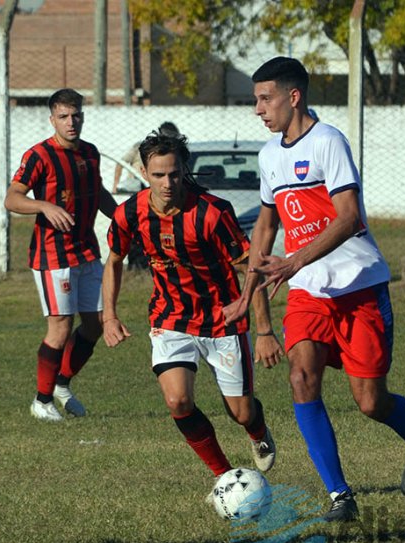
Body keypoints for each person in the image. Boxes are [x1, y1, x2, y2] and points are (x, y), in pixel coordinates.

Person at [224, 57, 405, 522]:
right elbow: (265, 226)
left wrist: (295, 258)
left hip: (359, 287)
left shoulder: (328, 142)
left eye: (265, 98)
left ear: (293, 96)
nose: (258, 109)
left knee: (370, 402)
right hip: (307, 291)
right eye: (255, 100)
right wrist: (248, 295)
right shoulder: (268, 155)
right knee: (301, 378)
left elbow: (348, 216)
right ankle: (340, 495)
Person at [103, 130, 279, 487]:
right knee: (177, 400)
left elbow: (250, 267)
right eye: (158, 175)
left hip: (223, 320)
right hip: (171, 319)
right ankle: (226, 477)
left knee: (241, 412)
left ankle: (256, 430)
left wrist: (264, 331)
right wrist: (109, 315)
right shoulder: (129, 214)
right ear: (143, 172)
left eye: (174, 174)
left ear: (184, 170)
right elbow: (114, 260)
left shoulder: (213, 212)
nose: (168, 183)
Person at [5, 88, 117, 422]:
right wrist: (42, 205)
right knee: (61, 328)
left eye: (77, 115)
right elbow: (12, 198)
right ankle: (41, 401)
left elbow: (99, 195)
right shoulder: (39, 155)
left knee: (96, 324)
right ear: (52, 118)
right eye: (64, 116)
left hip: (86, 251)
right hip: (53, 255)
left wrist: (127, 220)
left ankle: (62, 385)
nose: (72, 122)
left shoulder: (90, 153)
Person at [111, 121, 180, 194]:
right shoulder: (140, 147)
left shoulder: (178, 152)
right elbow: (120, 163)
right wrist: (115, 185)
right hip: (136, 188)